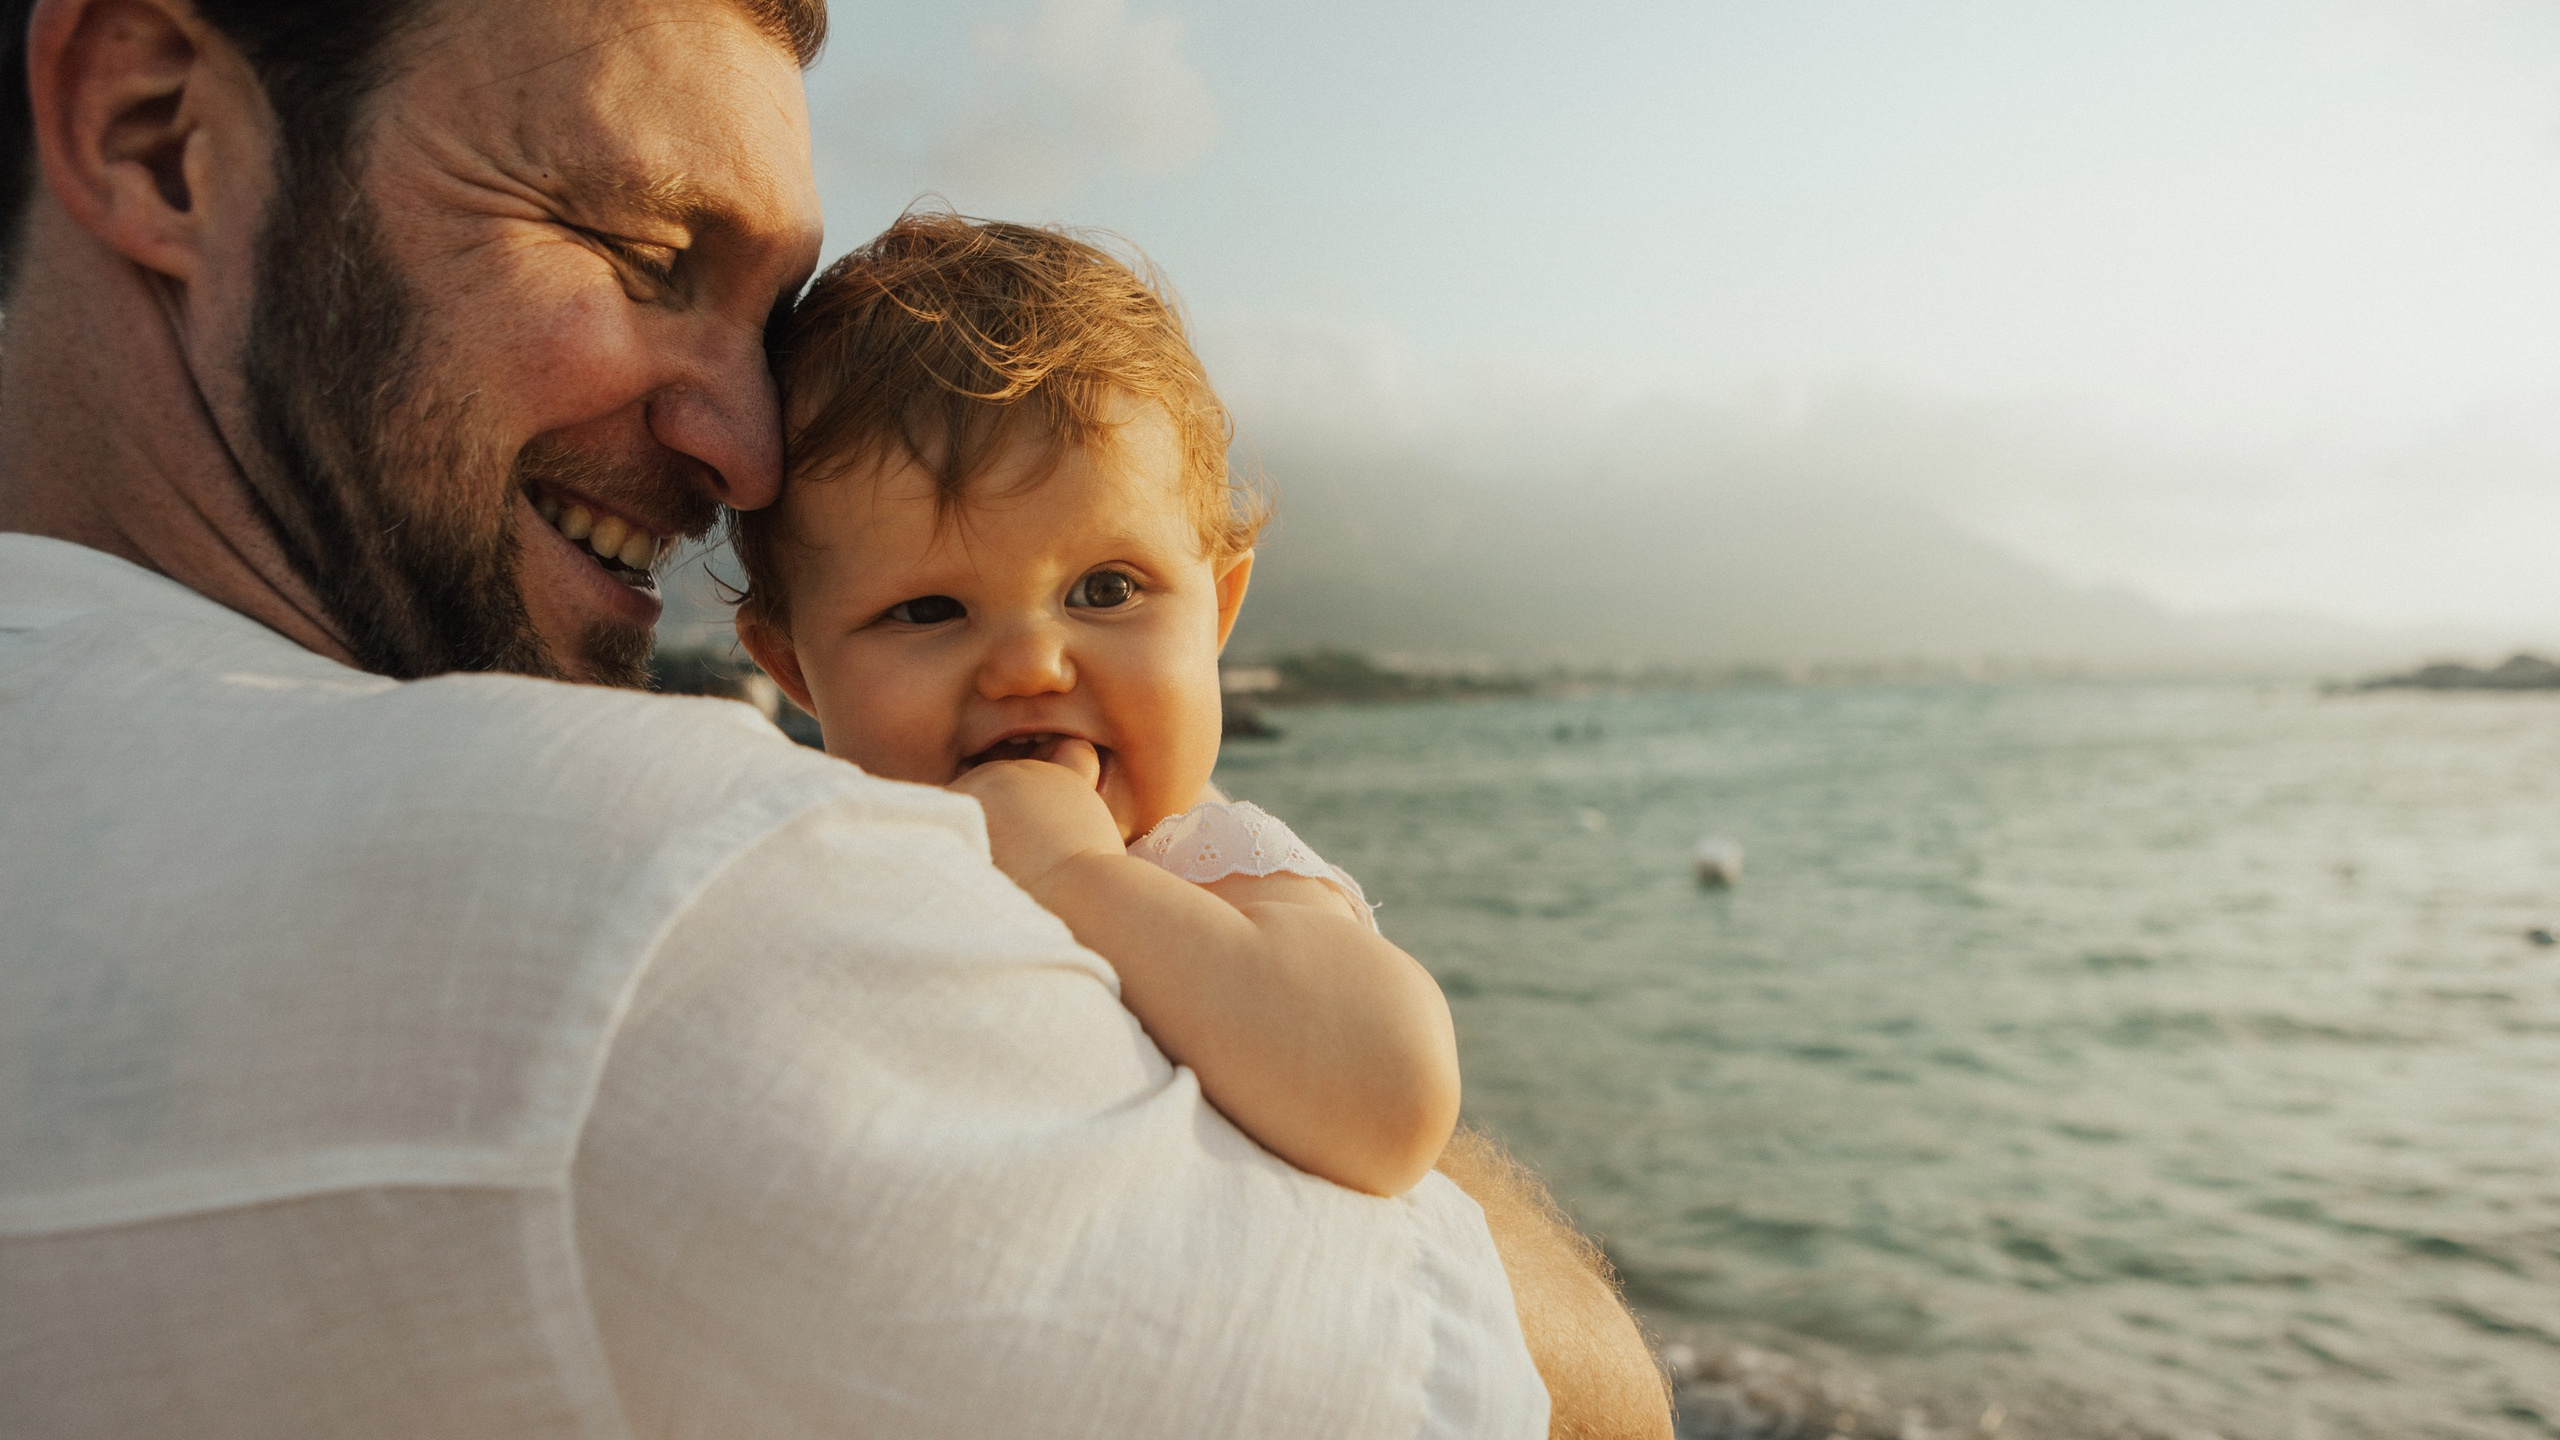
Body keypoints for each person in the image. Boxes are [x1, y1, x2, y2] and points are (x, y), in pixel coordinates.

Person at [0, 0, 1673, 1436]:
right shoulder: (643, 914)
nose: (745, 445)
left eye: (1108, 589)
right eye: (647, 255)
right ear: (160, 138)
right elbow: (1563, 1403)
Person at [733, 214, 1459, 1199]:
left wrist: (1066, 873)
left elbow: (1391, 1096)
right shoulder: (828, 868)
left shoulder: (1211, 869)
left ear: (1218, 612)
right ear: (795, 669)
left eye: (1106, 591)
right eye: (928, 610)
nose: (1030, 665)